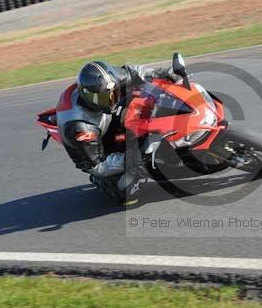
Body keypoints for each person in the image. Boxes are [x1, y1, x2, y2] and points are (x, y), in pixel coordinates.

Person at [56, 61, 176, 206]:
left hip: (104, 118)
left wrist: (158, 73)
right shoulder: (82, 128)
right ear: (88, 96)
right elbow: (97, 165)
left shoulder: (109, 79)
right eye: (104, 98)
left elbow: (132, 72)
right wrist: (128, 158)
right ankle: (105, 183)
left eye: (113, 94)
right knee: (127, 194)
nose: (111, 101)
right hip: (94, 151)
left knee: (144, 92)